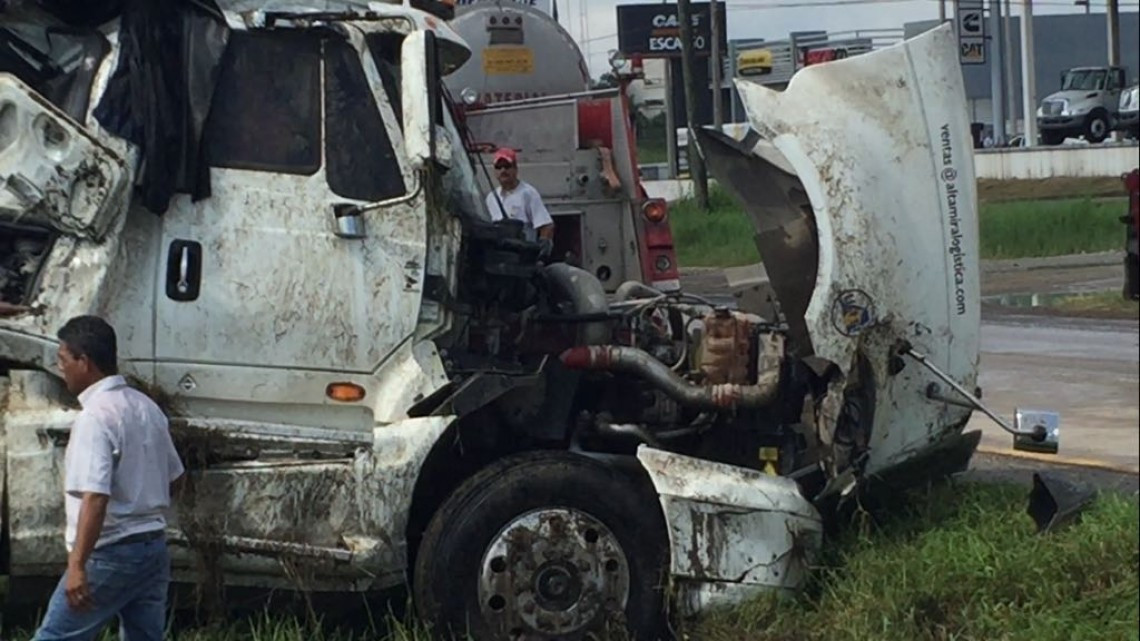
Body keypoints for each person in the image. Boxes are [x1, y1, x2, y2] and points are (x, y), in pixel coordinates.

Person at [32, 315, 185, 641]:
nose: (62, 370)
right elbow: (175, 476)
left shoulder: (95, 418)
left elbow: (96, 497)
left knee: (55, 636)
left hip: (109, 553)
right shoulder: (146, 407)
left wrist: (77, 566)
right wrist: (141, 503)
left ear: (84, 362)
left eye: (63, 361)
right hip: (153, 549)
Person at [485, 147, 555, 246]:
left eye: (507, 166)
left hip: (523, 255)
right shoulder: (491, 198)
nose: (503, 170)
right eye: (498, 167)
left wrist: (542, 249)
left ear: (515, 169)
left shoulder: (528, 193)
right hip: (498, 255)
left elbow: (546, 226)